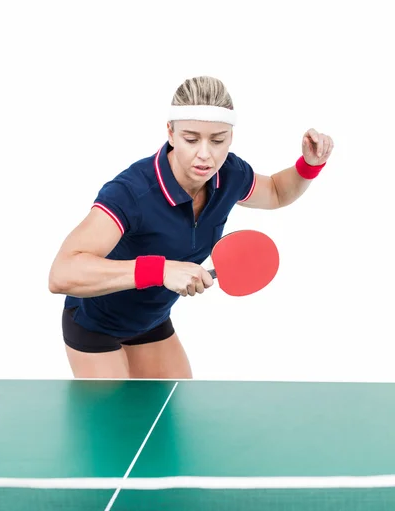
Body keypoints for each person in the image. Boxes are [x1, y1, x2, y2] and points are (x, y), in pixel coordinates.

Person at [48, 75, 334, 380]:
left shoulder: (230, 176)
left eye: (218, 139)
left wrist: (309, 165)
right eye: (191, 138)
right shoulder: (132, 193)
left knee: (173, 416)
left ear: (231, 137)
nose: (205, 154)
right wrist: (159, 271)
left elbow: (277, 191)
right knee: (115, 426)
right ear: (171, 133)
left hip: (151, 321)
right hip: (96, 324)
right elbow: (62, 273)